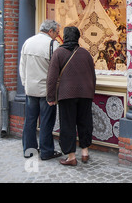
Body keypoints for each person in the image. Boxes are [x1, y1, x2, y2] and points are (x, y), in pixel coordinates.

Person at [46, 26, 96, 166]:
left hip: (67, 94)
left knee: (67, 124)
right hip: (85, 93)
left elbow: (51, 78)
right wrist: (90, 92)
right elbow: (93, 76)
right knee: (85, 122)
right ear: (78, 37)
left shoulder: (58, 53)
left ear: (66, 37)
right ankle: (85, 152)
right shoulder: (85, 53)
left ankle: (71, 157)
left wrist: (50, 97)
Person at [19, 19, 62, 160]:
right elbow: (57, 70)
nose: (57, 35)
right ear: (50, 31)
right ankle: (46, 151)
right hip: (45, 90)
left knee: (30, 121)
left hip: (30, 89)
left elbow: (22, 66)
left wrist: (25, 84)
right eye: (56, 32)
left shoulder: (28, 42)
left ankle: (29, 150)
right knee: (46, 122)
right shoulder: (52, 45)